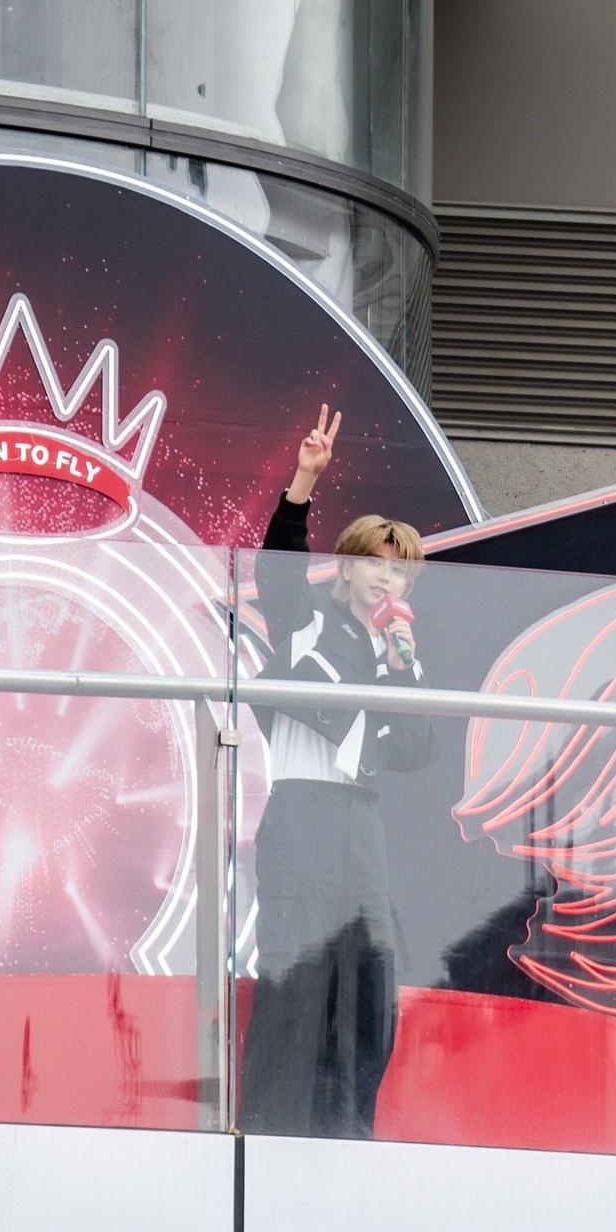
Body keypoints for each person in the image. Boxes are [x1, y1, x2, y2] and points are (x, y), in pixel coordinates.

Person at [239, 406, 435, 1140]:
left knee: (371, 982)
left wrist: (402, 665)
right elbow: (276, 572)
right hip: (302, 812)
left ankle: (349, 1135)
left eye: (401, 570)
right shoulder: (307, 622)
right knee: (294, 975)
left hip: (363, 825)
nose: (389, 577)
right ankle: (271, 1136)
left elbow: (416, 748)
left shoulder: (398, 651)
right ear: (349, 567)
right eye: (378, 563)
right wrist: (303, 484)